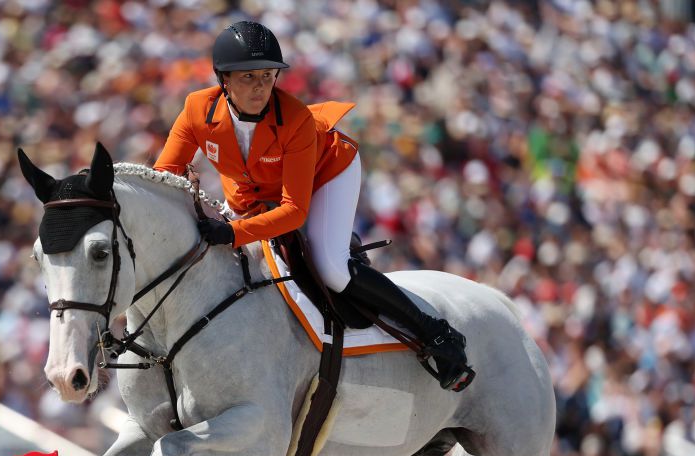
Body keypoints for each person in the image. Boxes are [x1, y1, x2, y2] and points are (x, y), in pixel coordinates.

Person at [154, 20, 473, 390]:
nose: (260, 87)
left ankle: (436, 333)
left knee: (332, 267)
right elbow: (165, 173)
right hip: (253, 191)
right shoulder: (197, 108)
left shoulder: (295, 119)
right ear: (223, 79)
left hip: (327, 172)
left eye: (268, 76)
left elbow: (293, 211)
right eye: (248, 77)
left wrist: (232, 231)